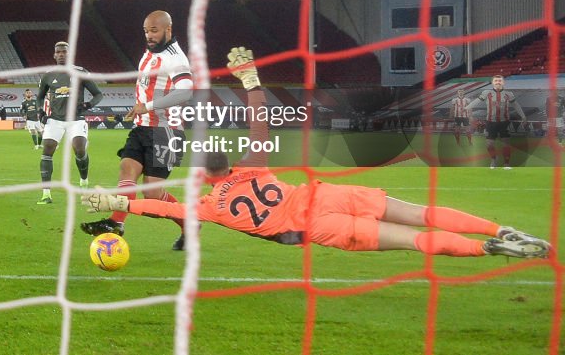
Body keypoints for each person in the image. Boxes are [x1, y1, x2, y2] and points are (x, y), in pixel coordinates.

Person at [82, 47, 552, 260]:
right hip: (328, 195)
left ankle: (486, 248)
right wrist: (249, 80)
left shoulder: (210, 206)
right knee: (421, 212)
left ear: (204, 177)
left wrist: (118, 202)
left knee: (408, 240)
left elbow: (152, 203)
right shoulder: (253, 166)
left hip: (315, 227)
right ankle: (498, 229)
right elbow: (260, 118)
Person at [80, 10, 194, 250]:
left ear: (168, 30)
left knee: (152, 195)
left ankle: (189, 225)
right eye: (146, 31)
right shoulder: (151, 52)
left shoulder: (176, 59)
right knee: (126, 170)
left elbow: (186, 91)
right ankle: (116, 223)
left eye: (154, 31)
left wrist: (148, 106)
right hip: (142, 127)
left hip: (167, 131)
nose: (149, 36)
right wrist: (142, 107)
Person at [35, 42, 103, 204]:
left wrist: (87, 105)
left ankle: (84, 180)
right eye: (58, 52)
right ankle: (46, 194)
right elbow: (39, 97)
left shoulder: (81, 72)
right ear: (54, 55)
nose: (60, 55)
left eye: (64, 52)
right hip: (55, 120)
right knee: (47, 150)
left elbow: (98, 94)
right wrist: (40, 112)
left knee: (79, 149)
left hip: (76, 120)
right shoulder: (48, 75)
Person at [465, 75, 526, 170]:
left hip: (504, 122)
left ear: (503, 82)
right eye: (496, 80)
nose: (498, 82)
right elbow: (476, 101)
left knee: (506, 143)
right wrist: (466, 108)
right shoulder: (486, 92)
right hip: (490, 122)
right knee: (489, 144)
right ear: (492, 82)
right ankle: (493, 159)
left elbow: (516, 105)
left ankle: (506, 163)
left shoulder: (508, 94)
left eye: (500, 80)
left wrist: (523, 116)